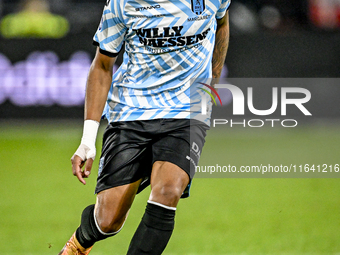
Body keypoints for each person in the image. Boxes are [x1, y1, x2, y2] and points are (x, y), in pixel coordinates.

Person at [58, 0, 230, 253]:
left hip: (186, 110)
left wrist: (212, 82)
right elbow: (103, 65)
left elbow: (222, 22)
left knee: (168, 190)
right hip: (131, 112)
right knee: (108, 221)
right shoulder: (122, 4)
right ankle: (80, 242)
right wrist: (87, 140)